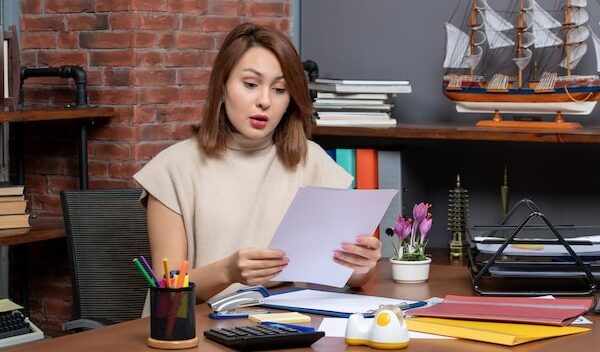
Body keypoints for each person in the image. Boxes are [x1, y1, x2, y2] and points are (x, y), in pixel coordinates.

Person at [133, 22, 381, 302]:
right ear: (222, 86)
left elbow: (350, 276)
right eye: (250, 85)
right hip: (193, 330)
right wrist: (227, 271)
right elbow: (168, 289)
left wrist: (361, 264)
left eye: (279, 89)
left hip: (284, 321)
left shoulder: (312, 161)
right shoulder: (172, 169)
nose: (265, 101)